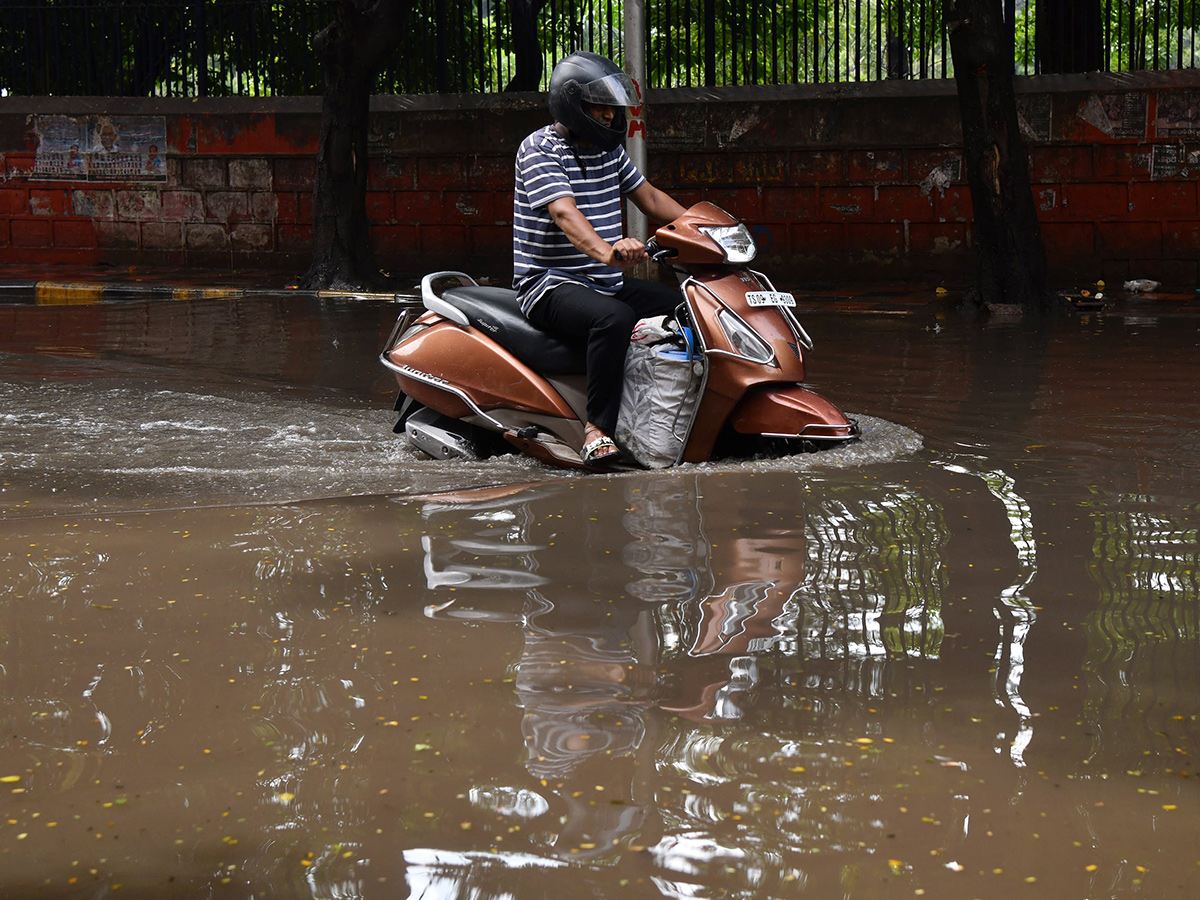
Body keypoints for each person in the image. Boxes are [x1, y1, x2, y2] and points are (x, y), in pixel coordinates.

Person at [513, 51, 686, 466]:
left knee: (687, 305)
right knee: (613, 318)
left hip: (603, 281)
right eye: (600, 106)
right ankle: (598, 430)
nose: (609, 115)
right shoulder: (540, 149)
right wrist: (608, 252)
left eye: (612, 106)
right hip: (549, 283)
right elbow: (564, 212)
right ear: (571, 103)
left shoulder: (608, 151)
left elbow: (650, 198)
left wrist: (712, 230)